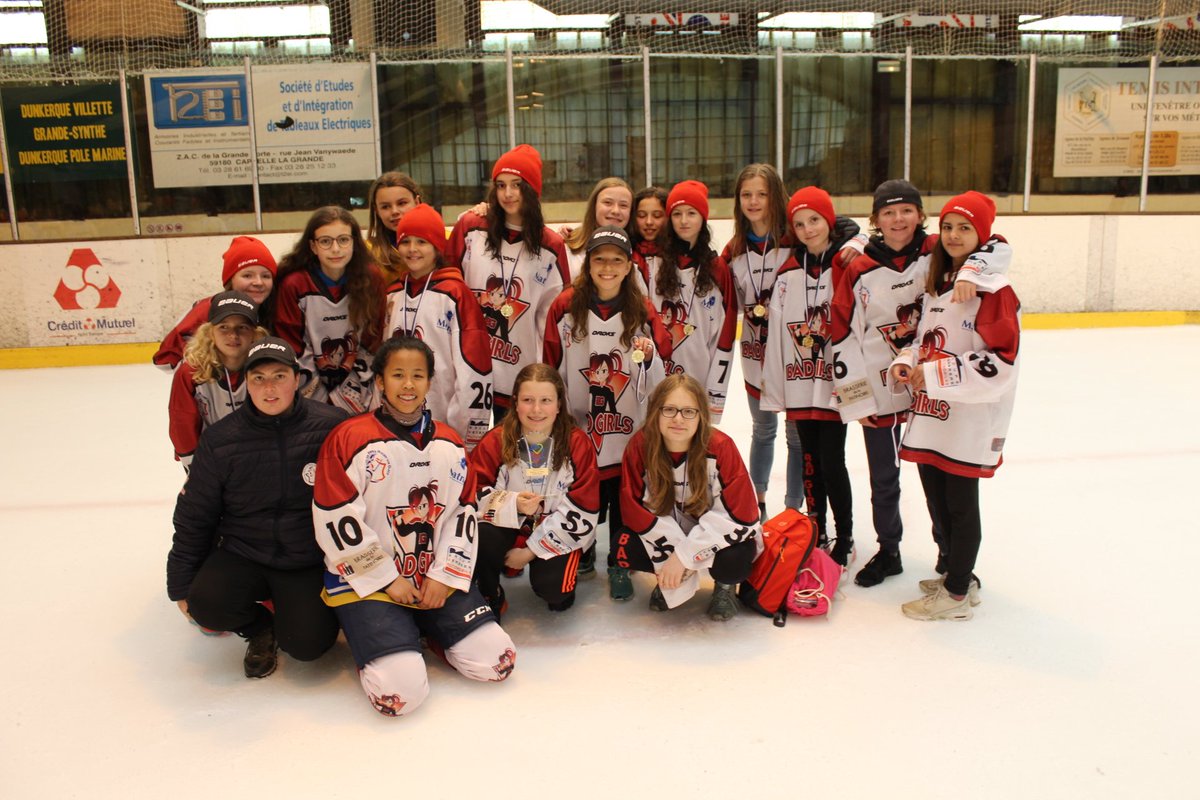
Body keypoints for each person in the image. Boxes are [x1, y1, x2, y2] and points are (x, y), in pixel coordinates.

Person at [313, 336, 516, 717]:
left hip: (432, 580)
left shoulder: (449, 442)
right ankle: (390, 636)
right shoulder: (348, 438)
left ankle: (427, 630)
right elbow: (335, 517)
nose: (408, 385)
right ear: (380, 381)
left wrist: (444, 575)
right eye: (398, 375)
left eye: (418, 376)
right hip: (371, 584)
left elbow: (462, 512)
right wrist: (387, 579)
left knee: (498, 661)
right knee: (401, 696)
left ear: (429, 382)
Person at [829, 179, 1009, 587]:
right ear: (875, 219)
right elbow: (842, 335)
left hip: (935, 388)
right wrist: (857, 401)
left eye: (906, 210)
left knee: (939, 477)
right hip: (883, 389)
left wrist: (973, 269)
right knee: (883, 479)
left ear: (920, 215)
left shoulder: (939, 249)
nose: (898, 219)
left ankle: (950, 554)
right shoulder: (858, 267)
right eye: (888, 212)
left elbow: (997, 244)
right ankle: (889, 551)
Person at [166, 337, 345, 678]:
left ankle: (293, 621)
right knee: (205, 605)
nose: (269, 388)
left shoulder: (332, 427)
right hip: (244, 552)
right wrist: (180, 583)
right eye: (258, 378)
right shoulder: (221, 440)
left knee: (309, 645)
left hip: (304, 559)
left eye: (279, 376)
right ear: (247, 383)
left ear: (297, 379)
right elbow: (195, 515)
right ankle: (260, 627)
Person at [889, 191, 1020, 621]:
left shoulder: (993, 290)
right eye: (947, 227)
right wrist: (906, 360)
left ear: (982, 236)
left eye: (965, 228)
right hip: (933, 415)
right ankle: (956, 573)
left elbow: (1001, 362)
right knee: (937, 500)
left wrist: (935, 374)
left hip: (968, 420)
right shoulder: (941, 283)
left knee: (961, 506)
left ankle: (959, 592)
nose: (953, 235)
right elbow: (922, 340)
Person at [543, 225, 672, 600]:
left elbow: (661, 367)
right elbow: (551, 362)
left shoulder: (642, 310)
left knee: (622, 496)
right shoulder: (565, 306)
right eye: (599, 259)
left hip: (628, 426)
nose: (608, 267)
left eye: (617, 260)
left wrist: (650, 359)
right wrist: (555, 414)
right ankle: (583, 550)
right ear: (588, 264)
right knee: (583, 490)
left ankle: (619, 561)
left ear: (629, 266)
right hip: (580, 425)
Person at [761, 187, 861, 560]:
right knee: (810, 464)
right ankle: (818, 532)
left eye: (815, 220)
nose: (808, 229)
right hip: (800, 385)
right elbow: (776, 335)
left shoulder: (848, 265)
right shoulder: (788, 273)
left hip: (836, 385)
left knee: (833, 462)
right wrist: (776, 390)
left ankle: (845, 537)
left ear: (829, 220)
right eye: (800, 224)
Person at [620, 374, 763, 620]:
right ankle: (667, 578)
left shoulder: (721, 447)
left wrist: (684, 556)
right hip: (672, 531)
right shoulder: (640, 446)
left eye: (688, 411)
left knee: (735, 558)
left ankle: (725, 585)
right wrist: (673, 557)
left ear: (701, 416)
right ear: (655, 412)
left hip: (712, 535)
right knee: (623, 545)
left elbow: (743, 517)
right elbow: (634, 509)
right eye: (669, 409)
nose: (678, 419)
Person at [447, 144, 570, 421]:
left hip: (518, 372)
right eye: (501, 185)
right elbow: (447, 288)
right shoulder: (471, 226)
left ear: (532, 190)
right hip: (466, 366)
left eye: (517, 185)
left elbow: (553, 318)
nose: (508, 193)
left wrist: (548, 375)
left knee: (511, 445)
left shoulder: (550, 245)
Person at [470, 363, 600, 619]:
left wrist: (529, 551)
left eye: (545, 401)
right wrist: (513, 503)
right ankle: (490, 592)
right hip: (509, 525)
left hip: (555, 528)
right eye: (528, 400)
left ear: (559, 405)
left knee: (556, 594)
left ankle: (552, 574)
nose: (537, 410)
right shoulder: (495, 441)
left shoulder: (577, 444)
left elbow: (584, 507)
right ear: (515, 403)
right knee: (481, 536)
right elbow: (472, 495)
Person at [723, 164, 804, 521]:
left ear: (777, 197)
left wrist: (855, 238)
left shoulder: (796, 240)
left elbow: (841, 230)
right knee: (763, 429)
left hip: (795, 356)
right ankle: (757, 503)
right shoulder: (734, 250)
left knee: (796, 437)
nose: (754, 201)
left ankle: (794, 509)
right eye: (746, 194)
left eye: (762, 194)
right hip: (755, 353)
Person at [383, 203, 493, 451]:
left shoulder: (455, 294)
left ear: (437, 246)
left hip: (442, 425)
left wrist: (462, 434)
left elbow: (473, 368)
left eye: (422, 242)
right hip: (395, 422)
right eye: (405, 241)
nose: (412, 249)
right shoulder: (392, 294)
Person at [275, 206, 387, 413]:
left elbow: (373, 340)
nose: (336, 249)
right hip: (310, 389)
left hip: (359, 388)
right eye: (325, 241)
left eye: (343, 240)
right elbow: (292, 347)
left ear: (354, 242)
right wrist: (318, 393)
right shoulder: (295, 285)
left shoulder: (372, 279)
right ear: (313, 246)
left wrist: (351, 392)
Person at [645, 180, 737, 423]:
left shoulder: (717, 269)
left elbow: (725, 334)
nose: (684, 220)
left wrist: (715, 393)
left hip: (700, 378)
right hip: (657, 376)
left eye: (691, 213)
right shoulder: (653, 262)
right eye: (677, 214)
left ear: (703, 218)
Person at [167, 291, 266, 471]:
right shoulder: (191, 373)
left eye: (242, 327)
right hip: (211, 459)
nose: (233, 335)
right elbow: (181, 421)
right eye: (224, 327)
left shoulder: (267, 367)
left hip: (263, 456)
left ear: (255, 333)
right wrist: (192, 463)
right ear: (209, 332)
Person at [153, 236, 276, 370]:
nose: (258, 282)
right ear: (230, 280)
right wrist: (207, 368)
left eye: (266, 276)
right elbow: (165, 359)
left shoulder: (276, 307)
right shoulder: (207, 309)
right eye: (247, 275)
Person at [562, 178, 635, 275]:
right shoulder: (566, 246)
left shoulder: (636, 252)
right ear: (594, 206)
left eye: (623, 205)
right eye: (608, 203)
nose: (616, 211)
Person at [366, 171, 424, 284]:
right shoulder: (368, 252)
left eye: (402, 203)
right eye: (385, 206)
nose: (394, 211)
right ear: (376, 210)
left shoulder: (444, 240)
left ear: (417, 202)